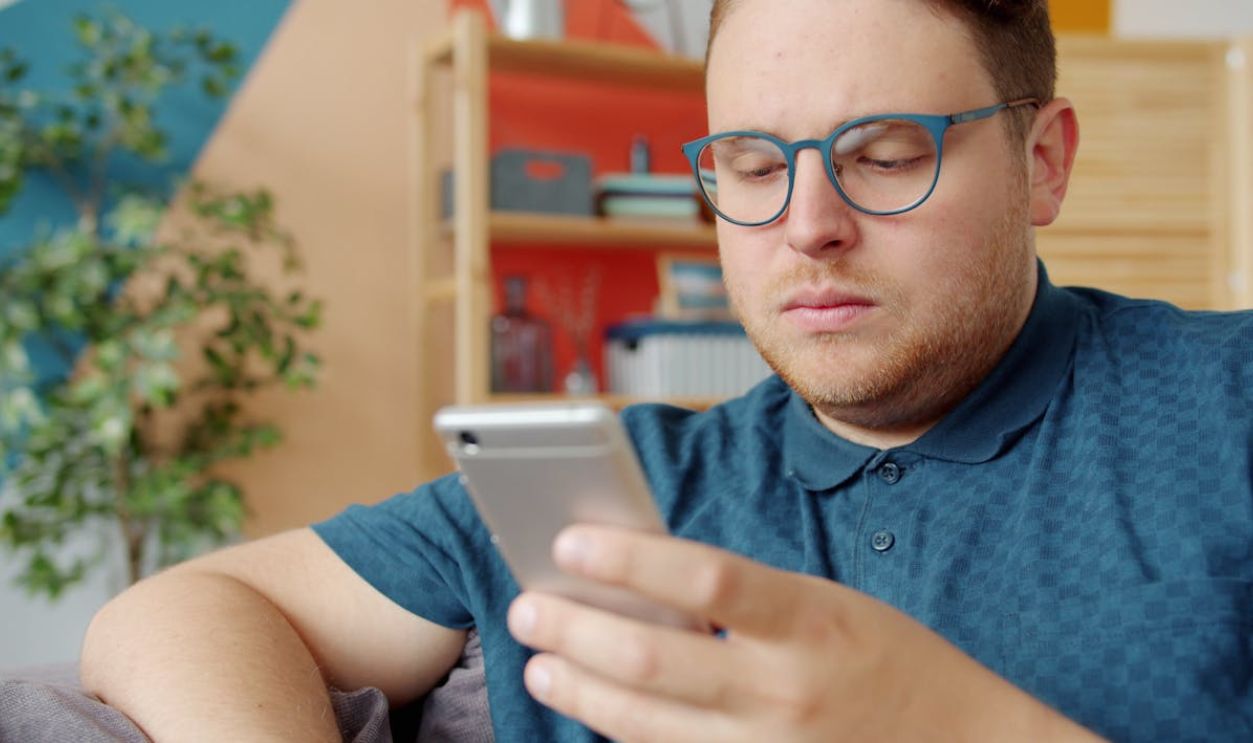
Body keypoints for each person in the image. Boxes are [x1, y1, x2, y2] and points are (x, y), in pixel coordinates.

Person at [79, 0, 1252, 740]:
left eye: (885, 155)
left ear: (1041, 163)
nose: (806, 225)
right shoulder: (612, 491)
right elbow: (178, 610)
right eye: (751, 167)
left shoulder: (1225, 402)